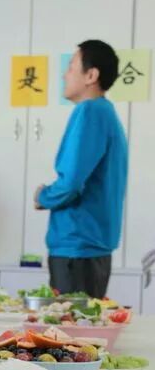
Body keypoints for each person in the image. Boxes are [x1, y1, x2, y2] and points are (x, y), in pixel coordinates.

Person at [34, 40, 127, 298]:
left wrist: (43, 196)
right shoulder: (106, 113)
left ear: (91, 75)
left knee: (71, 322)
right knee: (85, 320)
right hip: (92, 247)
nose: (64, 75)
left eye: (71, 67)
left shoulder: (90, 112)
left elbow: (71, 183)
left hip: (77, 247)